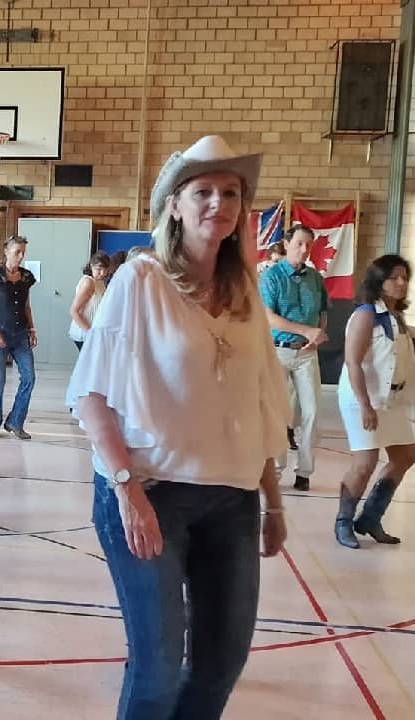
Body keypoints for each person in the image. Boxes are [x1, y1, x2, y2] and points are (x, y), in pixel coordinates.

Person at [67, 135, 289, 719]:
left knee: (220, 664)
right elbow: (90, 395)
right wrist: (126, 489)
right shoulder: (140, 281)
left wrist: (273, 501)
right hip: (151, 492)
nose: (219, 203)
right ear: (175, 205)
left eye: (231, 193)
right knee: (158, 669)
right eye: (203, 192)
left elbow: (261, 400)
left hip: (233, 499)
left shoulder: (245, 291)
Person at [335, 254, 414, 549]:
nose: (402, 283)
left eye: (405, 277)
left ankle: (370, 517)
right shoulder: (366, 314)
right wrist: (365, 405)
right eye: (395, 278)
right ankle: (343, 522)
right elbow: (353, 362)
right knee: (365, 462)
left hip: (392, 399)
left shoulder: (397, 318)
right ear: (379, 282)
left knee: (405, 454)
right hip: (363, 397)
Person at [260, 223, 329, 492]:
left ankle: (305, 472)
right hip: (277, 351)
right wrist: (305, 329)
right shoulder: (271, 277)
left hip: (306, 352)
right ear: (287, 244)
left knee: (312, 412)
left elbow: (323, 309)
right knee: (279, 413)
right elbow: (269, 317)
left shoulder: (315, 278)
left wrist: (318, 333)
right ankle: (276, 469)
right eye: (299, 243)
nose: (304, 249)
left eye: (308, 245)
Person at [0, 235, 38, 440]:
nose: (21, 256)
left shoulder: (26, 277)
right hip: (0, 333)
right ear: (6, 252)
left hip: (20, 335)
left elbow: (26, 306)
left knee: (29, 377)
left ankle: (15, 421)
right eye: (17, 252)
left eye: (23, 252)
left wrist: (32, 329)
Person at [69, 251, 112, 350]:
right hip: (84, 332)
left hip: (94, 331)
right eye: (99, 269)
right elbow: (74, 311)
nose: (102, 273)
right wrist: (90, 334)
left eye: (105, 269)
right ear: (91, 266)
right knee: (91, 364)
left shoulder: (100, 282)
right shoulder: (88, 282)